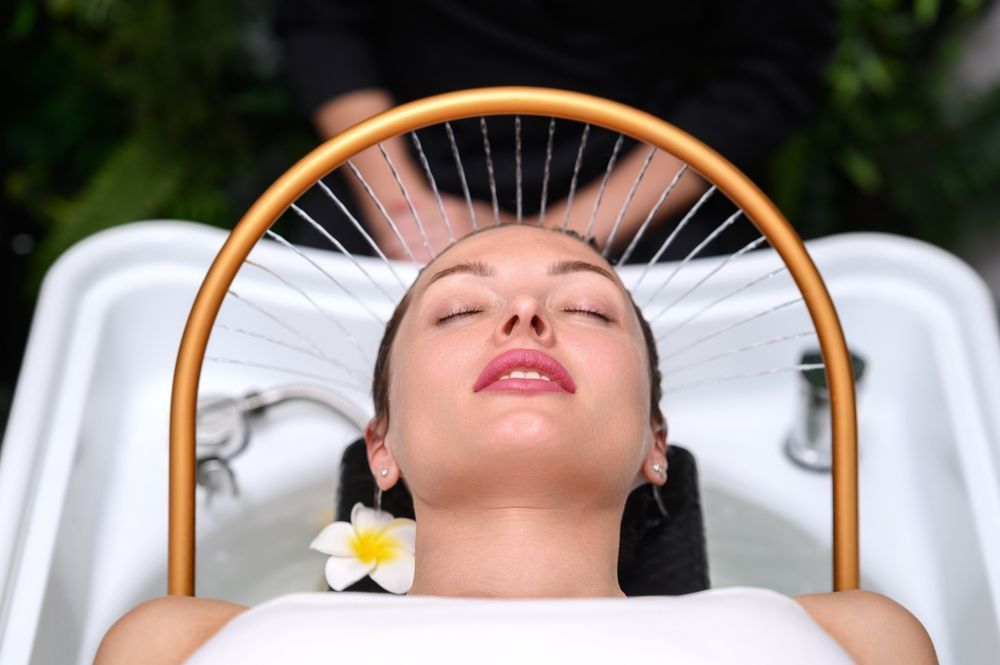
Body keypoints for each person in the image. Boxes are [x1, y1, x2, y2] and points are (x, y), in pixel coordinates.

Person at [94, 225, 937, 664]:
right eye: (461, 310)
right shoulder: (170, 645)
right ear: (378, 447)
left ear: (657, 447)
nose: (526, 316)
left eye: (589, 309)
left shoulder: (867, 641)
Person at [274, 1, 837, 261]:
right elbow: (322, 27)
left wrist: (563, 238)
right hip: (403, 184)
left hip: (640, 200)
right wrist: (407, 214)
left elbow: (769, 75)